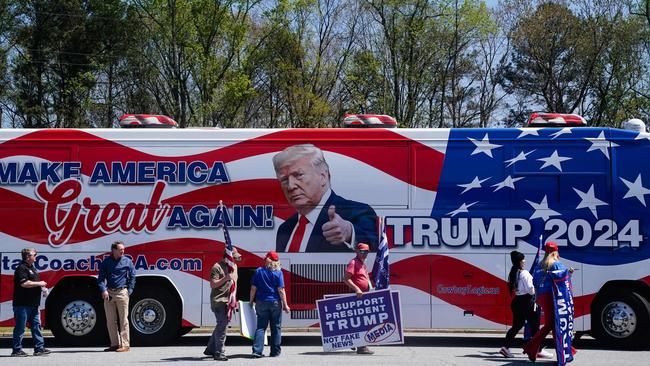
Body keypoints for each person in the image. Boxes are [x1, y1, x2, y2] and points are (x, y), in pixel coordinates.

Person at [273, 144, 378, 252]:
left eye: (298, 175)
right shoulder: (285, 229)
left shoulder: (357, 212)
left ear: (323, 176)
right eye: (284, 179)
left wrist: (349, 233)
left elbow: (374, 245)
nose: (290, 186)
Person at [523, 242, 575, 362]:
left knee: (551, 325)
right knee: (553, 325)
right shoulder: (557, 265)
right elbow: (563, 280)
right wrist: (570, 273)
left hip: (542, 297)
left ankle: (566, 350)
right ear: (555, 252)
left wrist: (537, 298)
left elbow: (535, 284)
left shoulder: (539, 266)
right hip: (553, 297)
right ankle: (532, 348)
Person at [499, 250, 547, 358]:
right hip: (527, 302)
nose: (524, 261)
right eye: (523, 259)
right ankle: (538, 350)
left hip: (517, 302)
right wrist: (536, 288)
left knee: (516, 326)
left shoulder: (513, 272)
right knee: (535, 327)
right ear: (520, 261)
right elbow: (530, 290)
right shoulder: (524, 273)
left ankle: (505, 347)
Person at [97, 241, 136, 352]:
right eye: (120, 250)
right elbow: (100, 279)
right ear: (113, 250)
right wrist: (104, 290)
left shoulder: (127, 261)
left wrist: (129, 290)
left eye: (123, 249)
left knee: (123, 320)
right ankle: (115, 344)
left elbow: (133, 276)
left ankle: (125, 345)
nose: (122, 251)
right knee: (110, 320)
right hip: (109, 293)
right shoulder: (106, 262)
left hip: (122, 293)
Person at [250, 251, 290, 358]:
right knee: (276, 327)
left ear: (267, 260)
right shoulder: (278, 273)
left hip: (261, 302)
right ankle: (275, 352)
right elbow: (281, 290)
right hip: (275, 302)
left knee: (261, 327)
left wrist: (250, 301)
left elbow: (253, 288)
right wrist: (285, 305)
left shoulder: (258, 271)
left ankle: (257, 351)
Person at [11, 248, 51, 357]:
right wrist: (40, 283)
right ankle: (16, 350)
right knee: (20, 327)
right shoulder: (21, 268)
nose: (36, 257)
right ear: (28, 256)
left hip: (33, 304)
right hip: (22, 304)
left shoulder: (32, 268)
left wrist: (43, 288)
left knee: (36, 326)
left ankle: (39, 348)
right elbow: (24, 283)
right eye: (34, 255)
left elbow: (35, 283)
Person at [204, 247, 241, 361]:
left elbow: (234, 284)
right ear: (228, 256)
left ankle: (210, 349)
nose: (235, 259)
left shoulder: (234, 267)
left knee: (221, 324)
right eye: (233, 257)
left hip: (228, 301)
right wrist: (225, 278)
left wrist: (234, 299)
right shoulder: (217, 267)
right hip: (219, 300)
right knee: (223, 325)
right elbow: (213, 284)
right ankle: (219, 352)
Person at [343, 243, 374, 355]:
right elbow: (346, 279)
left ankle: (354, 342)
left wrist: (370, 288)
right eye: (362, 251)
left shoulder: (362, 264)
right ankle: (362, 347)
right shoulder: (353, 263)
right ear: (356, 251)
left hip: (364, 296)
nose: (364, 254)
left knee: (361, 321)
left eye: (366, 252)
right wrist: (357, 289)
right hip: (357, 296)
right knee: (361, 321)